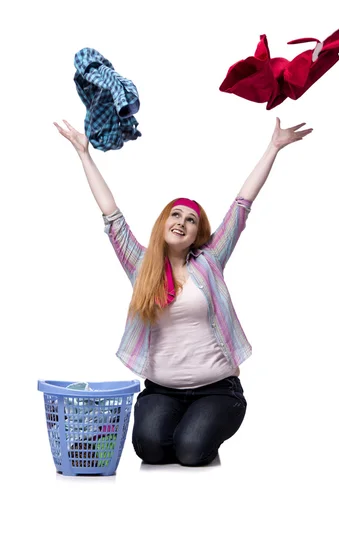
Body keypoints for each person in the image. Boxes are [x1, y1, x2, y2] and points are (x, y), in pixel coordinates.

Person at [53, 117, 313, 466]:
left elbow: (242, 205)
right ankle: (185, 430)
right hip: (162, 390)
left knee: (191, 452)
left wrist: (274, 148)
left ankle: (199, 433)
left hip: (218, 389)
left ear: (196, 233)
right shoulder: (140, 265)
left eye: (191, 220)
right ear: (163, 224)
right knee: (151, 449)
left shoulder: (210, 261)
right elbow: (111, 215)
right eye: (175, 215)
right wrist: (85, 153)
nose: (182, 222)